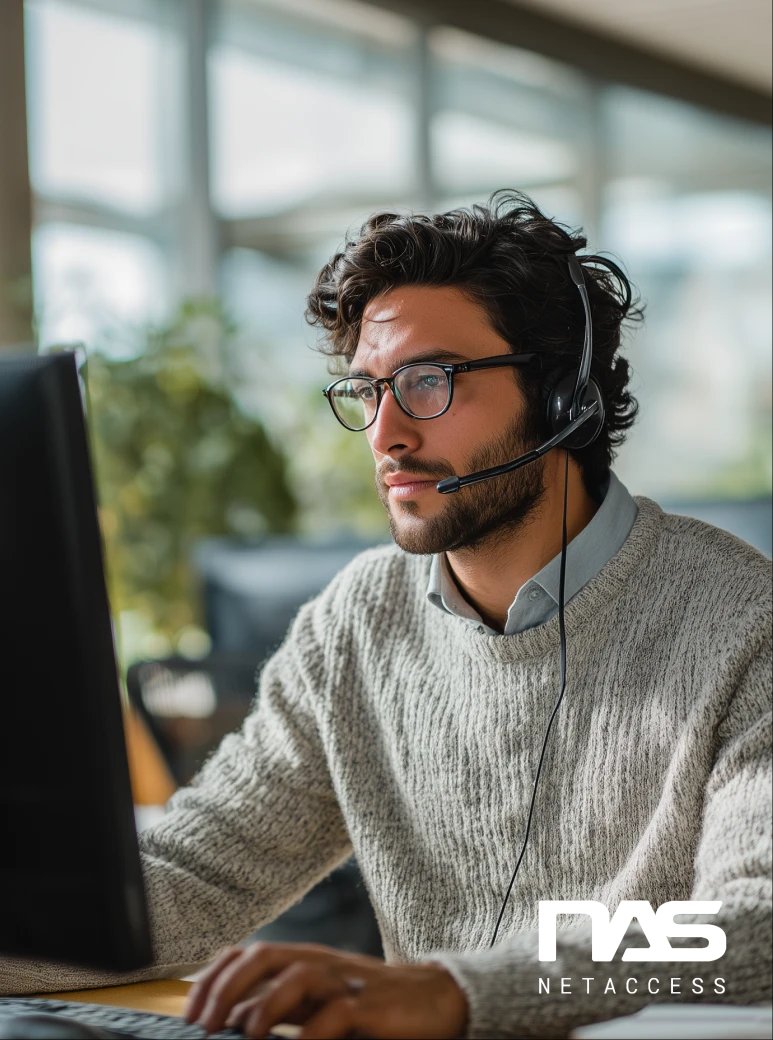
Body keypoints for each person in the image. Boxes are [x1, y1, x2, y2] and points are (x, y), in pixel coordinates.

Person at [2, 191, 771, 1039]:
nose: (385, 433)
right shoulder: (358, 621)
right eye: (366, 390)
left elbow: (753, 925)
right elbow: (196, 877)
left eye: (428, 381)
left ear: (561, 395)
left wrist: (453, 990)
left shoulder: (744, 622)